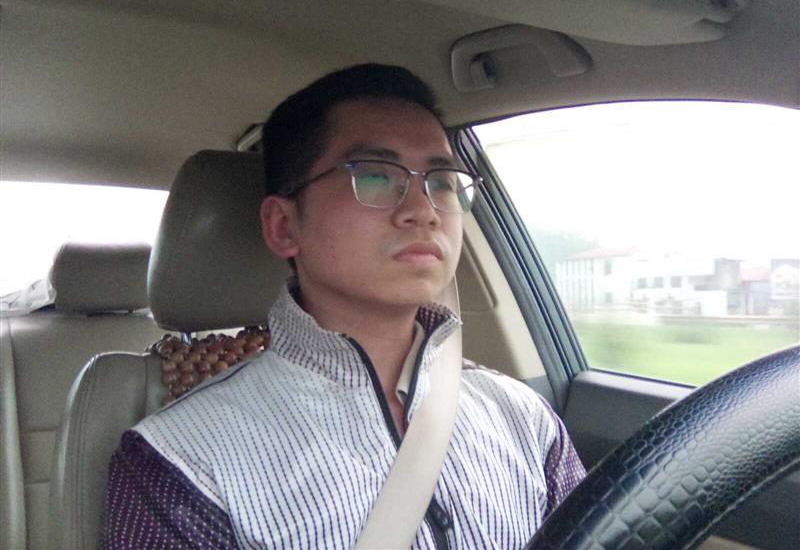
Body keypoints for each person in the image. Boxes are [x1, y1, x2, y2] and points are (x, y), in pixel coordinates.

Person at [102, 64, 585, 549]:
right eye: (375, 176)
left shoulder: (525, 418)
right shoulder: (183, 462)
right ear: (283, 227)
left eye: (442, 181)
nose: (423, 209)